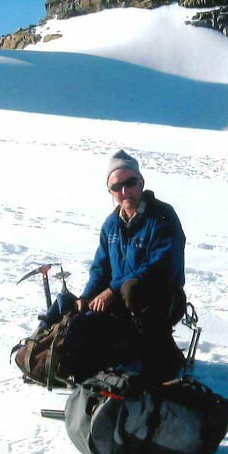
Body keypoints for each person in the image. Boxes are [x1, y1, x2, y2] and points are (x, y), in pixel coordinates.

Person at [77, 149, 187, 380]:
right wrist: (86, 297)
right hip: (122, 302)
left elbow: (162, 267)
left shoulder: (162, 216)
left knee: (133, 289)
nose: (125, 191)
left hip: (163, 299)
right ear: (110, 191)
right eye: (117, 187)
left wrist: (113, 289)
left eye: (130, 182)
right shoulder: (111, 225)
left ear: (141, 182)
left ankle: (162, 362)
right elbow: (101, 268)